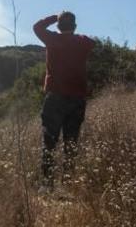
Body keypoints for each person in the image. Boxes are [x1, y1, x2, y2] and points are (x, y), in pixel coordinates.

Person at [34, 11, 95, 186]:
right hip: (77, 98)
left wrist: (55, 17)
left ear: (58, 26)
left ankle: (47, 184)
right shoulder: (83, 41)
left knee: (49, 141)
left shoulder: (52, 39)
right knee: (71, 142)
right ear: (74, 26)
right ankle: (68, 183)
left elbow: (37, 27)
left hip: (55, 98)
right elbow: (92, 43)